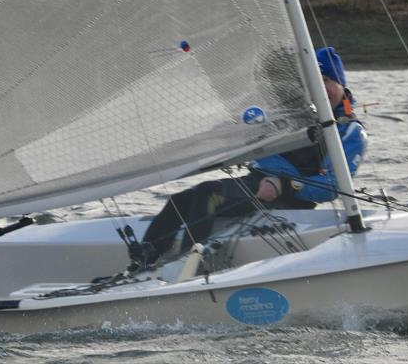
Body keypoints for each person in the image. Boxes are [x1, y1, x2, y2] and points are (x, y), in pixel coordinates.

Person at [128, 46, 367, 271]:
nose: (322, 88)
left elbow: (334, 187)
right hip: (257, 183)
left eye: (328, 80)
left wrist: (284, 185)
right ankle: (143, 263)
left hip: (289, 199)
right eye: (317, 81)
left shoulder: (350, 131)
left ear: (341, 84)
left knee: (208, 195)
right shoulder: (292, 116)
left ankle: (187, 264)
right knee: (180, 200)